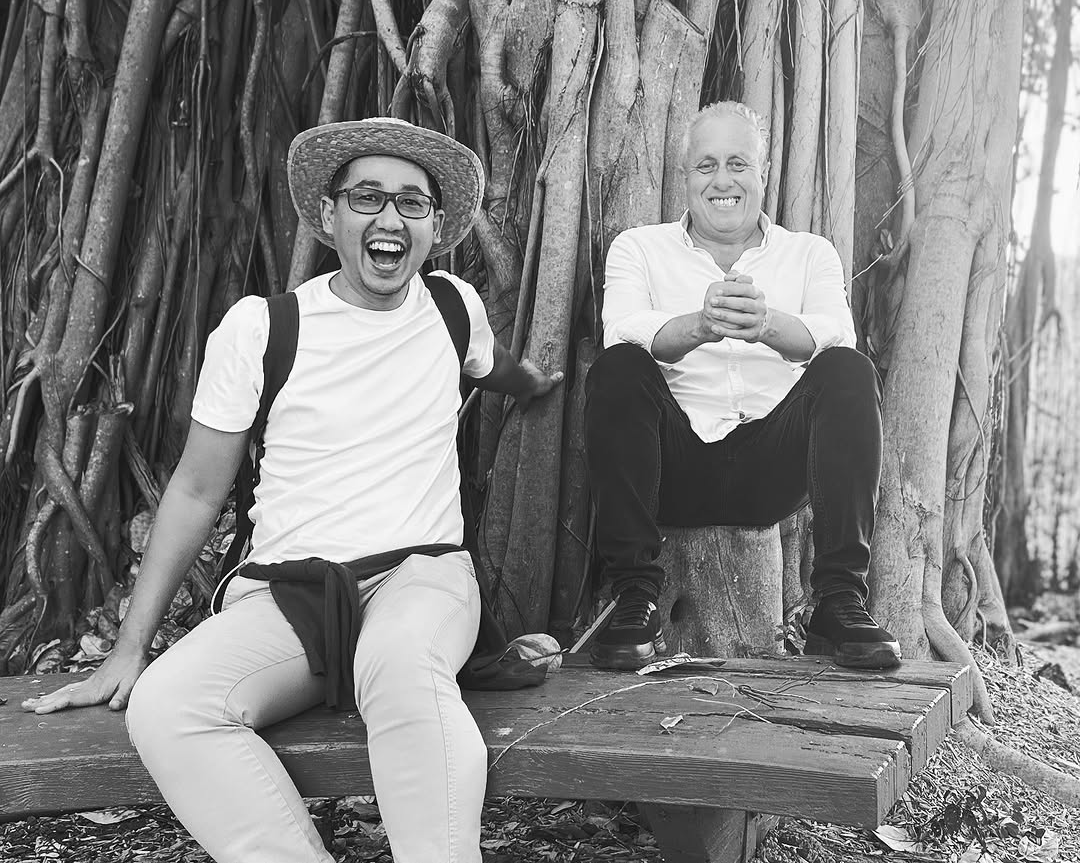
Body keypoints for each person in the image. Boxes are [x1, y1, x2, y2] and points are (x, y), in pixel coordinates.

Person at [22, 118, 563, 863]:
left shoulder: (451, 307)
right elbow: (196, 490)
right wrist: (128, 648)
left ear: (436, 229)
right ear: (330, 216)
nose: (390, 217)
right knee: (169, 705)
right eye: (367, 197)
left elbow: (489, 364)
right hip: (289, 594)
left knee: (403, 668)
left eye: (412, 203)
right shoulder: (263, 330)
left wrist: (531, 382)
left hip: (421, 576)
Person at [584, 100, 901, 672]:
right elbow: (623, 330)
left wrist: (767, 326)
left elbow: (836, 335)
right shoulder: (639, 248)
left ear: (763, 173)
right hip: (673, 466)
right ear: (686, 176)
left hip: (773, 468)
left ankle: (839, 600)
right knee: (618, 368)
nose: (722, 180)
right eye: (706, 165)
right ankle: (635, 597)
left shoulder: (810, 254)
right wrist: (699, 326)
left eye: (738, 163)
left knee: (849, 370)